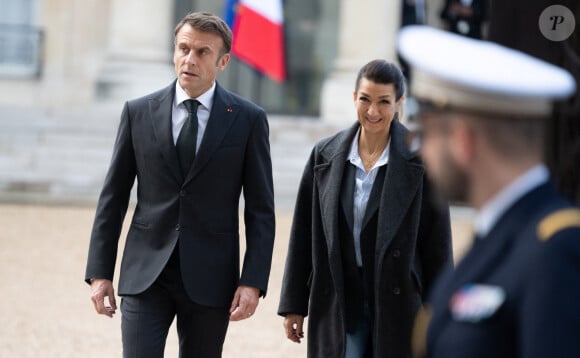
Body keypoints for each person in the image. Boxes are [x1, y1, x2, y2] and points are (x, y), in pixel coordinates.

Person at [85, 12, 275, 358]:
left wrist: (252, 282)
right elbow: (112, 198)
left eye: (202, 52)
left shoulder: (248, 120)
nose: (190, 59)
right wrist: (99, 273)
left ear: (223, 61)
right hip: (145, 274)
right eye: (183, 48)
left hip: (212, 279)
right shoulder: (138, 113)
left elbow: (261, 211)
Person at [397, 25, 580, 357]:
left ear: (463, 140)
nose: (420, 151)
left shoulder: (557, 252)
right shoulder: (499, 236)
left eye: (426, 134)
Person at [278, 59, 453, 357]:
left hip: (399, 299)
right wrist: (294, 304)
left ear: (400, 102)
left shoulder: (423, 161)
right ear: (354, 97)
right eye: (365, 99)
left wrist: (439, 311)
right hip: (340, 297)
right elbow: (304, 234)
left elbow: (437, 245)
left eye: (384, 102)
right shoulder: (325, 154)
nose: (373, 111)